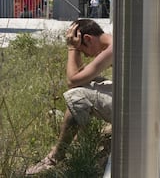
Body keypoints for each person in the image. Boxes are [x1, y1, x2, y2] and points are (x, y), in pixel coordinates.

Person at [25, 19, 113, 175]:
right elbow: (81, 76)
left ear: (87, 39)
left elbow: (72, 81)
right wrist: (77, 48)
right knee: (87, 83)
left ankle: (55, 157)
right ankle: (80, 138)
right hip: (136, 102)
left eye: (82, 50)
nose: (85, 55)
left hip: (135, 110)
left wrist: (72, 49)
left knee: (76, 95)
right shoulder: (114, 42)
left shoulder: (113, 48)